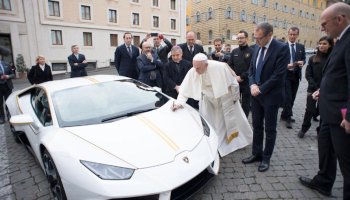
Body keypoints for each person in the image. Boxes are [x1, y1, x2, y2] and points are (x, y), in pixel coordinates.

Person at [299, 3, 350, 199]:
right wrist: (323, 90)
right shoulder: (340, 40)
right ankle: (323, 181)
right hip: (329, 113)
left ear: (340, 19)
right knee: (326, 150)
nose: (322, 28)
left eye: (324, 23)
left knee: (347, 166)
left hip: (342, 117)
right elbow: (338, 75)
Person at [171, 53, 253, 157]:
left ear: (206, 65)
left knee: (227, 122)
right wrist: (178, 103)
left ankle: (235, 143)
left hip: (224, 99)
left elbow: (234, 83)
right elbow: (184, 90)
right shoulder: (193, 70)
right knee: (209, 123)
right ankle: (213, 144)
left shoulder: (220, 67)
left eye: (198, 68)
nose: (195, 70)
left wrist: (235, 98)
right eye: (194, 67)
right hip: (208, 100)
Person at [242, 22, 290, 172]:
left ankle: (266, 158)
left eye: (259, 38)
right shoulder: (256, 47)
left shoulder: (282, 48)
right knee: (256, 125)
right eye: (255, 37)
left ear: (270, 35)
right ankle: (256, 153)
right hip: (256, 95)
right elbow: (251, 70)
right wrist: (252, 85)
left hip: (270, 96)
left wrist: (260, 89)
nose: (256, 41)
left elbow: (278, 75)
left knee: (270, 129)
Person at [298, 36, 334, 138]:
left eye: (324, 44)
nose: (321, 46)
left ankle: (321, 131)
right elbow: (308, 74)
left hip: (326, 90)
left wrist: (322, 88)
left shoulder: (332, 59)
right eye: (320, 43)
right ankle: (304, 128)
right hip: (312, 89)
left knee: (323, 111)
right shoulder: (313, 58)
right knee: (309, 110)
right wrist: (315, 87)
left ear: (330, 45)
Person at [280, 27, 306, 129]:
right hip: (285, 75)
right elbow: (278, 60)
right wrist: (286, 65)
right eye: (290, 34)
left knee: (293, 97)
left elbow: (304, 58)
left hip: (296, 75)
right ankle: (288, 117)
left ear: (297, 35)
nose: (292, 36)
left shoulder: (300, 47)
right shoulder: (282, 46)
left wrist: (302, 62)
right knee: (288, 97)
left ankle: (284, 114)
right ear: (288, 34)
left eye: (294, 34)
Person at [229, 30, 254, 117]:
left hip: (246, 82)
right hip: (235, 82)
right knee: (234, 102)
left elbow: (252, 67)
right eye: (238, 38)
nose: (239, 39)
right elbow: (230, 65)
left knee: (246, 104)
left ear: (246, 39)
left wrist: (242, 76)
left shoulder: (252, 51)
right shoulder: (234, 51)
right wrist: (234, 76)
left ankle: (244, 121)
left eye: (241, 38)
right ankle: (236, 120)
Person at [0, 46, 15, 124]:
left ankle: (9, 115)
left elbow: (13, 74)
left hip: (7, 86)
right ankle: (1, 117)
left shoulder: (6, 64)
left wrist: (8, 76)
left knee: (8, 102)